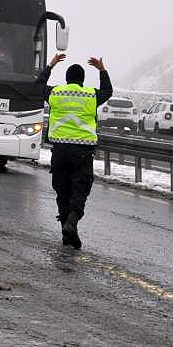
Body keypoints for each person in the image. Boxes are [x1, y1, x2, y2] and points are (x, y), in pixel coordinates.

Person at [36, 54, 112, 249]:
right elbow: (108, 91)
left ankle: (67, 232)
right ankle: (71, 223)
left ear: (67, 79)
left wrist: (51, 65)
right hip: (82, 152)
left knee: (63, 192)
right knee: (79, 191)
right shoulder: (90, 95)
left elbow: (38, 85)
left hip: (59, 151)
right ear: (82, 80)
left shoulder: (56, 93)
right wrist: (102, 70)